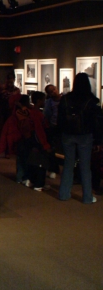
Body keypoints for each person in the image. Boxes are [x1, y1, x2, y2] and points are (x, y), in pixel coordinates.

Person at [57, 72, 102, 204]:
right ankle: (87, 197)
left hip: (67, 135)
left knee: (68, 164)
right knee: (85, 166)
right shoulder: (92, 101)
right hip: (85, 136)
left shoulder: (65, 99)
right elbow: (97, 122)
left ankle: (64, 194)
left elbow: (60, 119)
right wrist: (98, 140)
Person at [0, 71, 21, 140]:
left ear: (14, 79)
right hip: (0, 112)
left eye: (12, 79)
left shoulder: (16, 90)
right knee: (0, 130)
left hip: (11, 112)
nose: (10, 81)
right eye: (9, 79)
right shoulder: (0, 88)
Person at [44, 84, 62, 178]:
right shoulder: (49, 102)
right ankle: (53, 168)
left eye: (54, 89)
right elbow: (47, 114)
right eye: (51, 91)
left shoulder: (64, 99)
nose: (54, 92)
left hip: (63, 127)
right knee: (52, 148)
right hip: (53, 127)